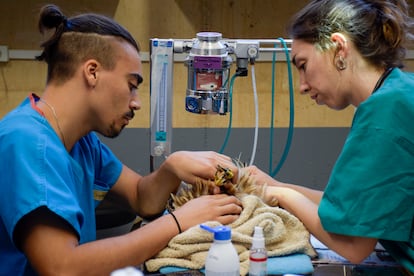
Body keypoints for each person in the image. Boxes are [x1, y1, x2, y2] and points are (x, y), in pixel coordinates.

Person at [0, 4, 243, 275]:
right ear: (92, 72)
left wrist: (173, 166)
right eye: (131, 85)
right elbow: (62, 267)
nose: (136, 103)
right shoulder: (27, 142)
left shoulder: (82, 144)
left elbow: (142, 198)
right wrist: (178, 222)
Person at [249, 0, 414, 274]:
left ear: (338, 47)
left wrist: (278, 195)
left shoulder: (384, 112)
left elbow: (353, 245)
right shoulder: (400, 91)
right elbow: (352, 210)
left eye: (303, 65)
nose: (302, 86)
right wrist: (274, 185)